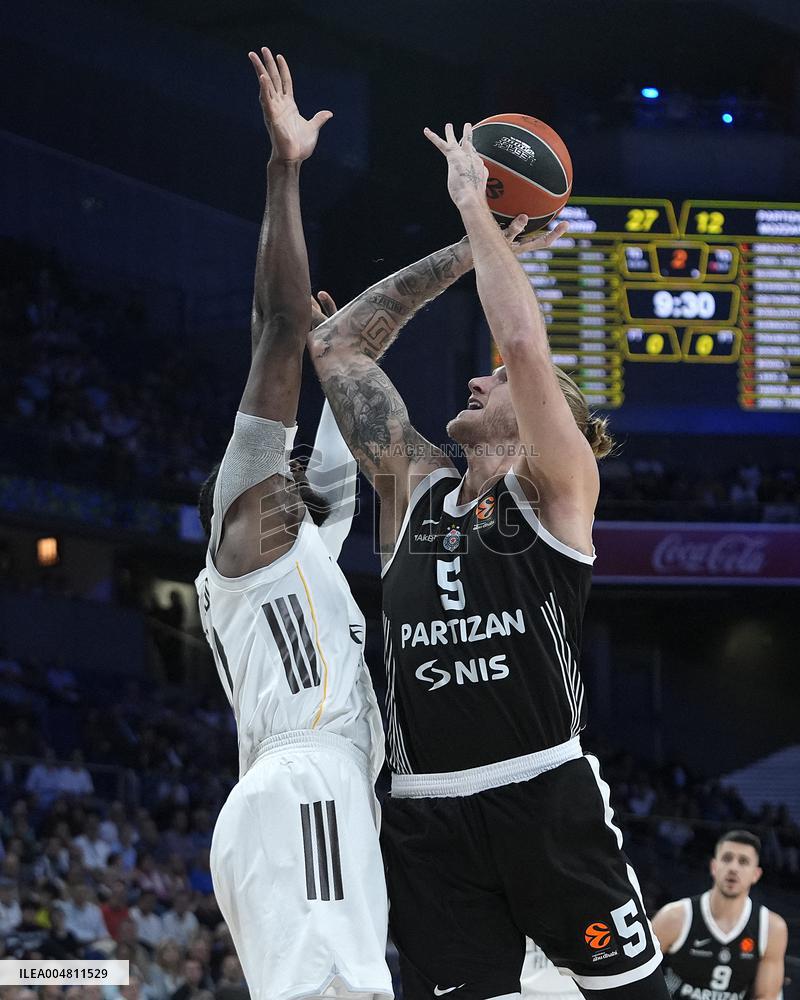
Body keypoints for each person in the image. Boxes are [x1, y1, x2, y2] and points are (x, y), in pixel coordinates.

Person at [308, 122, 666, 1000]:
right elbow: (338, 347)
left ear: (553, 419)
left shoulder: (555, 489)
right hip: (427, 811)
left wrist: (477, 204)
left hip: (542, 795)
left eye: (495, 380)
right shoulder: (412, 491)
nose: (477, 380)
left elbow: (527, 343)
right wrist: (471, 248)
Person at [193, 46, 391, 1000]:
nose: (288, 474)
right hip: (303, 786)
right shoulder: (252, 541)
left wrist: (475, 251)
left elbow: (350, 364)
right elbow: (281, 326)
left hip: (314, 793)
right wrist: (285, 169)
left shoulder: (308, 542)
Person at [652, 830, 787, 999]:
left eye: (743, 862)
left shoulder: (772, 928)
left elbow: (766, 995)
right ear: (714, 867)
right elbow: (638, 976)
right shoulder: (674, 917)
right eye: (727, 858)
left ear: (756, 874)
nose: (733, 868)